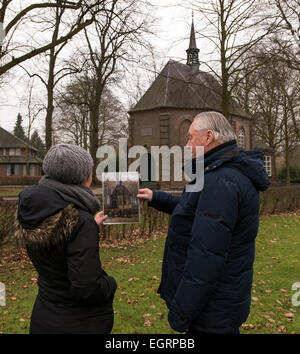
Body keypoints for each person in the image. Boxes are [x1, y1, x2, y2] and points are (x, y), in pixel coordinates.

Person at [137, 111, 270, 334]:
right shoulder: (220, 173)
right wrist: (156, 197)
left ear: (208, 138)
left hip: (212, 310)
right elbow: (194, 209)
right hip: (222, 303)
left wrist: (181, 313)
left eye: (190, 137)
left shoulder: (220, 181)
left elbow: (205, 258)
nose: (187, 144)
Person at [14, 144, 117, 334]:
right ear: (81, 177)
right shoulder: (80, 221)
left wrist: (89, 228)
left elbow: (56, 255)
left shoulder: (35, 210)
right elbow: (87, 288)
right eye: (89, 170)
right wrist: (110, 283)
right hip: (79, 323)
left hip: (44, 316)